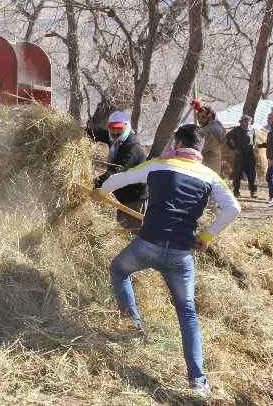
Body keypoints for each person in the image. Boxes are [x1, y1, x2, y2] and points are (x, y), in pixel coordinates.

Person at [91, 124, 240, 397]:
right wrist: (206, 236)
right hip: (181, 255)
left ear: (178, 141)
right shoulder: (209, 175)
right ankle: (198, 382)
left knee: (119, 270)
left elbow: (114, 181)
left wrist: (100, 193)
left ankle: (133, 327)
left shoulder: (159, 165)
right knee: (187, 313)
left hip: (147, 245)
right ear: (199, 148)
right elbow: (233, 208)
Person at [85, 111, 148, 232]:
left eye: (119, 128)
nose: (114, 131)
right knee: (122, 228)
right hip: (123, 196)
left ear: (126, 126)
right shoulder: (116, 139)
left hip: (135, 199)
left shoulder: (131, 147)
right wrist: (86, 127)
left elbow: (116, 171)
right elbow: (99, 133)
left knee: (130, 233)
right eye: (112, 128)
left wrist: (94, 183)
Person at [225, 114, 257, 198]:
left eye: (249, 121)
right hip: (239, 154)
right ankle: (236, 191)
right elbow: (227, 138)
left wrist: (253, 144)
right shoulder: (236, 130)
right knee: (237, 173)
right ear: (242, 122)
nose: (247, 122)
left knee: (252, 173)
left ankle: (253, 191)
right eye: (245, 121)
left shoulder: (252, 130)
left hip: (249, 154)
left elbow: (254, 138)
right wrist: (233, 148)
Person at [194, 100, 226, 176]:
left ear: (210, 118)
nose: (200, 120)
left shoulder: (207, 131)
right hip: (215, 164)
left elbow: (200, 150)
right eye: (199, 117)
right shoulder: (217, 125)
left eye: (203, 117)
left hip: (206, 165)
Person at [258, 111, 273, 204]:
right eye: (268, 118)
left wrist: (271, 158)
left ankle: (272, 197)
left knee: (270, 176)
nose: (268, 120)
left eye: (270, 119)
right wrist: (261, 145)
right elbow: (271, 144)